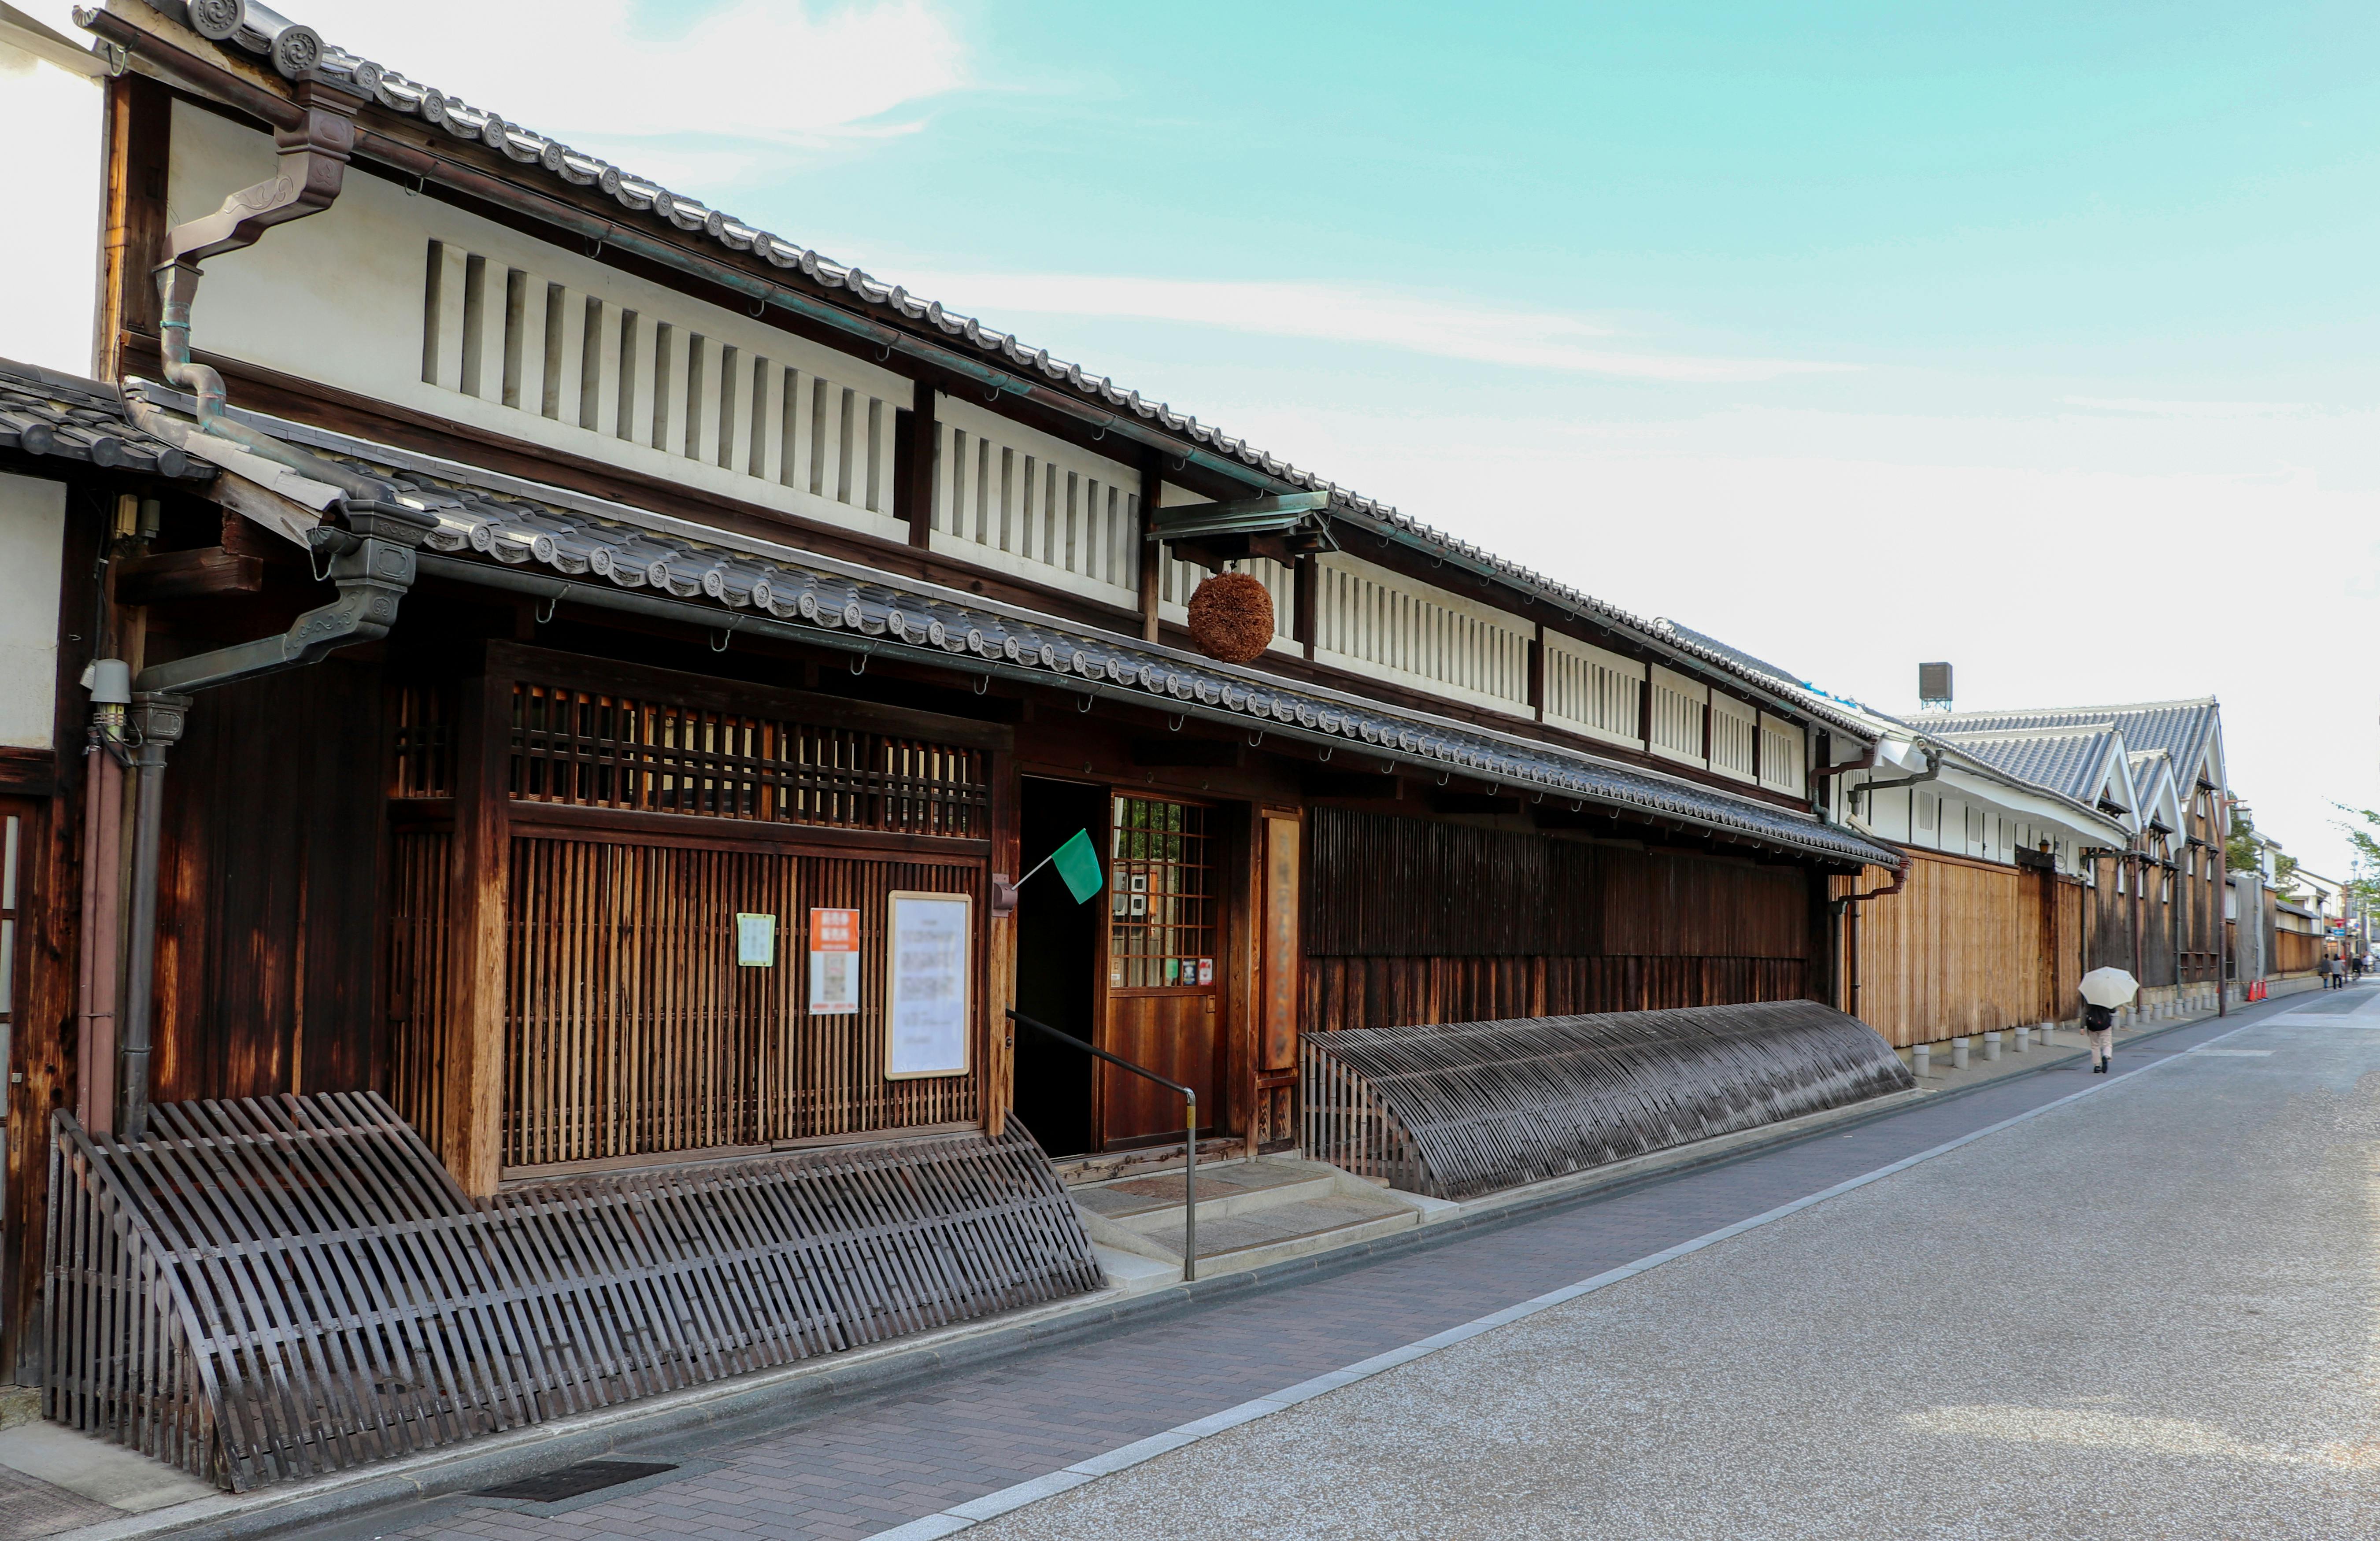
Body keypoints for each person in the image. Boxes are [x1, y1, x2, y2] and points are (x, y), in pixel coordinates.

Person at [2083, 1000, 2116, 1073]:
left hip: (2093, 1024)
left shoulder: (2090, 998)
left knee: (2095, 1045)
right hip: (2105, 1024)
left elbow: (2085, 1011)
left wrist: (2082, 1026)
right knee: (2107, 1044)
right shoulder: (2108, 998)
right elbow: (2113, 1010)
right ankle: (2106, 1056)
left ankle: (2097, 1066)